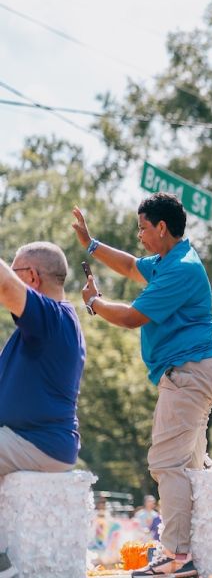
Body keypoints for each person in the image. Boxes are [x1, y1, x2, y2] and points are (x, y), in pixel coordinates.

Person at [72, 193, 212, 577]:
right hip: (194, 373)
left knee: (166, 463)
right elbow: (127, 265)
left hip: (188, 375)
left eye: (142, 227)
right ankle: (192, 554)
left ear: (161, 227)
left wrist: (94, 303)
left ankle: (176, 555)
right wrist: (91, 245)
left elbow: (131, 317)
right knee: (187, 467)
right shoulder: (169, 261)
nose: (138, 235)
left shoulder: (181, 269)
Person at [0, 241, 86, 577]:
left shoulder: (52, 318)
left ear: (32, 278)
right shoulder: (43, 326)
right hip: (27, 440)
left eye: (16, 269)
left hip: (40, 442)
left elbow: (6, 286)